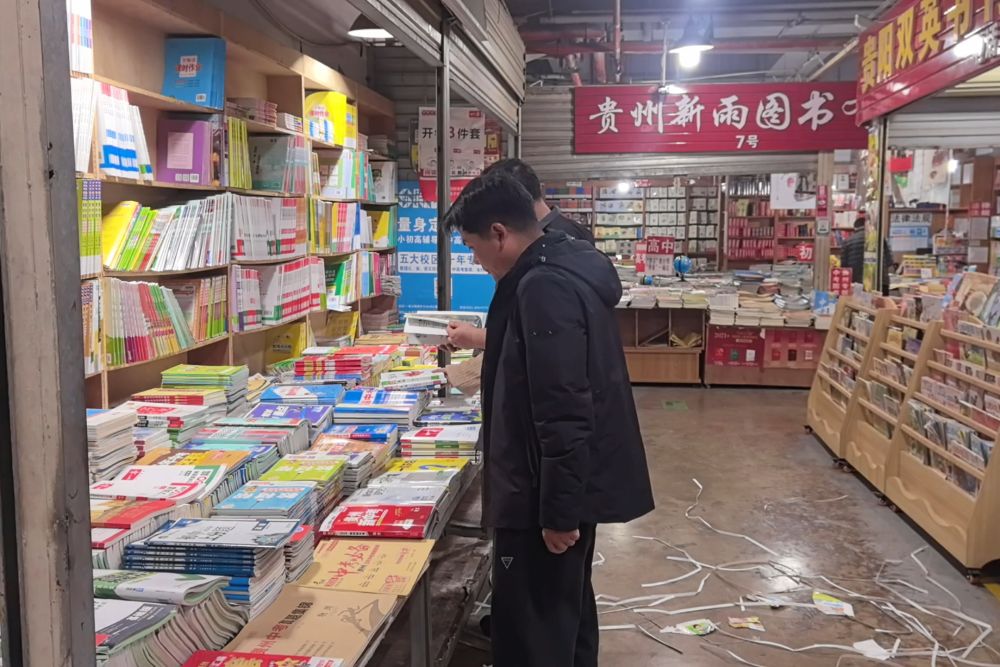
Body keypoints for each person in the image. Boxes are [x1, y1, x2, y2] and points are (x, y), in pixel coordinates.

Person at [443, 173, 654, 667]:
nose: (476, 261)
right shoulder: (561, 264)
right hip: (556, 486)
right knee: (565, 611)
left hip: (541, 497)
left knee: (534, 631)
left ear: (499, 234)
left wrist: (558, 514)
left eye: (473, 248)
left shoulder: (543, 287)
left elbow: (563, 409)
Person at [448, 158, 595, 350]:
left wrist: (478, 338)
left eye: (472, 248)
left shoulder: (549, 267)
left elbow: (542, 342)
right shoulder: (545, 246)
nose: (476, 260)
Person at [840, 216, 893, 289]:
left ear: (855, 228)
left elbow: (844, 266)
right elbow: (890, 261)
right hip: (880, 280)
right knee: (882, 297)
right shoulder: (879, 237)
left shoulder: (847, 241)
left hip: (858, 282)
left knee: (860, 296)